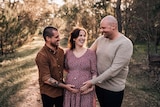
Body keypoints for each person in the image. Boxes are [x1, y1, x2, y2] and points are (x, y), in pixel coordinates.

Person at [80, 15, 133, 107]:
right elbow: (88, 54)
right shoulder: (101, 39)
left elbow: (114, 70)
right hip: (99, 86)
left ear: (113, 26)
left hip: (113, 90)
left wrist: (92, 82)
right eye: (100, 28)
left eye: (103, 28)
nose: (101, 30)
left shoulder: (125, 44)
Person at [35, 26, 77, 107]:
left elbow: (68, 67)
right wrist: (65, 86)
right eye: (56, 37)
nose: (59, 39)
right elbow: (47, 79)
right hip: (48, 93)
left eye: (59, 36)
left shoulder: (61, 51)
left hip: (61, 93)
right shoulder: (42, 55)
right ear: (48, 38)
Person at [63, 27, 97, 107]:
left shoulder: (91, 53)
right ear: (74, 38)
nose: (83, 38)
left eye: (84, 36)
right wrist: (65, 84)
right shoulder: (67, 53)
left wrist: (91, 86)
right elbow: (64, 69)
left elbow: (94, 72)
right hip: (70, 92)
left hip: (86, 92)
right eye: (80, 35)